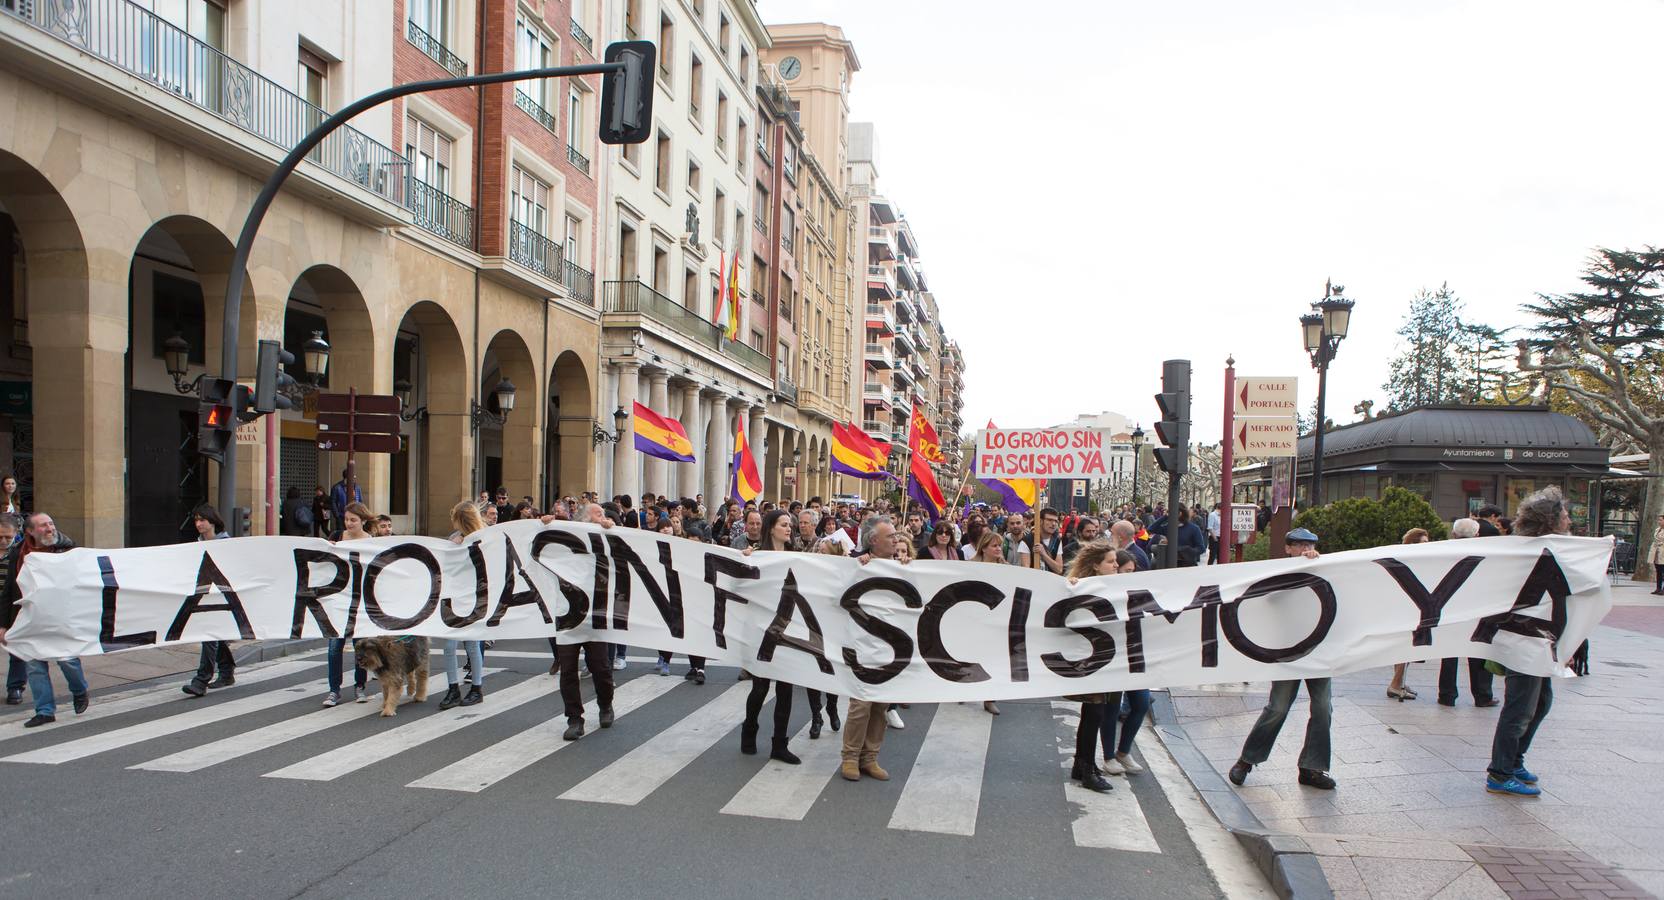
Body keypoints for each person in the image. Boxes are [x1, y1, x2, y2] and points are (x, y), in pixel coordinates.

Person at [1227, 527, 1335, 790]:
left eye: (1308, 544)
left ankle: (1312, 767)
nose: (1304, 549)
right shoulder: (1276, 572)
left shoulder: (1323, 569)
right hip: (1287, 651)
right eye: (1298, 545)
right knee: (1277, 708)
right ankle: (1246, 760)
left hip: (1318, 650)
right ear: (1287, 548)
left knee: (1323, 709)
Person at [1485, 487, 1571, 798]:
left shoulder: (1550, 551)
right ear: (1549, 520)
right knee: (1520, 707)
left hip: (1539, 640)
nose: (1568, 519)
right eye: (1563, 514)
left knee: (1541, 702)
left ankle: (1514, 760)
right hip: (1523, 639)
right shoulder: (1525, 554)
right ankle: (1500, 771)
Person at [0, 512, 89, 727]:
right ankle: (45, 710)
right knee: (34, 666)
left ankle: (79, 690)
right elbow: (10, 590)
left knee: (67, 661)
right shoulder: (18, 553)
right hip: (28, 618)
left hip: (58, 618)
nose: (49, 528)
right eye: (42, 525)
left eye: (51, 523)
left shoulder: (64, 549)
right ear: (29, 531)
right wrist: (3, 624)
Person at [738, 510, 805, 764]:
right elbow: (739, 586)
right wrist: (745, 562)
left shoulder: (796, 557)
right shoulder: (757, 556)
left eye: (791, 525)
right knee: (761, 687)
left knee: (786, 689)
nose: (789, 529)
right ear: (771, 528)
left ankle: (779, 744)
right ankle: (750, 728)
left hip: (787, 629)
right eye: (784, 525)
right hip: (761, 630)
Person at [1061, 541, 1126, 794]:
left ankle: (1083, 764)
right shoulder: (1080, 588)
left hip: (1104, 657)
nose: (1116, 565)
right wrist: (1074, 587)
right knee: (1094, 712)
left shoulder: (1114, 586)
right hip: (1089, 657)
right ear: (1096, 566)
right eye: (1111, 562)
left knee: (1094, 713)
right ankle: (1086, 768)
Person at [842, 514, 899, 782]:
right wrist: (859, 565)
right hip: (862, 645)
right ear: (874, 541)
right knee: (861, 703)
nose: (896, 539)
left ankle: (870, 757)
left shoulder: (902, 566)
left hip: (891, 648)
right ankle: (850, 757)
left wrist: (907, 566)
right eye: (890, 536)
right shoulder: (860, 565)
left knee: (881, 704)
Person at [559, 503, 617, 741]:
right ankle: (574, 718)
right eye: (598, 514)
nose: (603, 517)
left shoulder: (607, 538)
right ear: (584, 519)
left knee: (600, 667)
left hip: (595, 614)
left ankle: (605, 704)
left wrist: (611, 530)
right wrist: (546, 523)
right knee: (568, 670)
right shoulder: (566, 537)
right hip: (567, 614)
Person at [1438, 518, 1496, 708]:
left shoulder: (1442, 554)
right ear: (1477, 535)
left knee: (1448, 653)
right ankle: (1483, 694)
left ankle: (1447, 695)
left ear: (1453, 535)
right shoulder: (1487, 555)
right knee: (1478, 651)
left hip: (1450, 608)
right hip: (1477, 609)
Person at [321, 502, 374, 707]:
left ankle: (359, 687)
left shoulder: (371, 541)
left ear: (363, 521)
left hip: (360, 599)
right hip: (338, 597)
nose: (349, 523)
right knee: (335, 646)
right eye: (346, 519)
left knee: (360, 646)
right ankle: (334, 690)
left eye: (353, 520)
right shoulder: (336, 537)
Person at [437, 500, 488, 709]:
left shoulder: (484, 538)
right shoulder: (453, 538)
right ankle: (453, 688)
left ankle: (476, 688)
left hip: (473, 597)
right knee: (449, 646)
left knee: (472, 644)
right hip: (453, 597)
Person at [180, 505, 234, 698]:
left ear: (212, 521)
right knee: (214, 633)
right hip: (204, 595)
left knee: (209, 635)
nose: (199, 524)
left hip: (222, 596)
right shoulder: (198, 544)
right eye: (196, 520)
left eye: (202, 519)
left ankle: (202, 680)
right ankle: (226, 671)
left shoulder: (226, 543)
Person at [1386, 528, 1431, 702]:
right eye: (1424, 542)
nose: (1428, 545)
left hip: (1410, 608)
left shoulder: (1409, 558)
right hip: (1406, 609)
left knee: (1406, 648)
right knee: (1405, 647)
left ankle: (1399, 682)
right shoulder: (1406, 559)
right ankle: (1396, 685)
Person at [1, 515, 25, 705]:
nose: (3, 542)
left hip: (12, 606)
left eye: (8, 538)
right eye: (0, 537)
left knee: (16, 649)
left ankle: (15, 687)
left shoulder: (20, 554)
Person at [1650, 513, 1664, 595]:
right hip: (1656, 552)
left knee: (1663, 571)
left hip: (1663, 552)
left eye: (1661, 520)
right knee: (1658, 571)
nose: (1659, 521)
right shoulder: (1657, 529)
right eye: (1658, 520)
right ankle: (1658, 588)